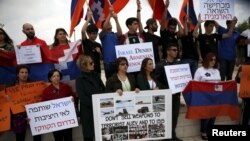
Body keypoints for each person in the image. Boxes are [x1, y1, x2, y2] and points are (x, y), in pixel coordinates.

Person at [154, 43, 182, 141]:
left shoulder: (178, 64)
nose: (176, 52)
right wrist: (165, 88)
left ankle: (172, 136)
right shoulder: (160, 65)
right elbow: (156, 80)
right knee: (165, 117)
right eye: (174, 50)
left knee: (174, 116)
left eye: (177, 50)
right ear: (168, 51)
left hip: (176, 95)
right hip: (165, 95)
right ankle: (165, 137)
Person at [7, 65, 41, 141]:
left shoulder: (35, 84)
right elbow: (6, 103)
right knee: (20, 138)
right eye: (22, 72)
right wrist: (7, 99)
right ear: (17, 74)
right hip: (18, 116)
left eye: (26, 72)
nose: (24, 74)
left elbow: (39, 98)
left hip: (33, 114)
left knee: (37, 136)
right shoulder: (10, 87)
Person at [76, 55, 105, 141]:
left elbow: (103, 89)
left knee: (101, 134)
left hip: (99, 109)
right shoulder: (80, 79)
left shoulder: (96, 75)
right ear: (84, 65)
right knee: (89, 135)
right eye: (91, 63)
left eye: (93, 62)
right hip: (88, 111)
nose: (93, 64)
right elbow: (82, 97)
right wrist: (96, 104)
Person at [42, 69, 76, 141]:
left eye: (58, 76)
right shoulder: (46, 91)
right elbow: (43, 106)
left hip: (67, 118)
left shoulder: (66, 87)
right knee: (58, 138)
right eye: (54, 76)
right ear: (50, 78)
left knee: (69, 138)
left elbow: (73, 96)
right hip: (55, 120)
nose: (56, 77)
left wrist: (73, 99)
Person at [194, 53, 221, 140]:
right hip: (204, 97)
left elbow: (219, 85)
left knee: (213, 116)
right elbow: (195, 83)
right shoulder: (200, 70)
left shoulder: (217, 71)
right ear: (207, 60)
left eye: (214, 60)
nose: (213, 61)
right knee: (206, 115)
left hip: (215, 97)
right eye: (211, 60)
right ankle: (204, 132)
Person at [100, 6, 122, 79]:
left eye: (110, 22)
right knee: (110, 81)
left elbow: (120, 33)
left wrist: (116, 20)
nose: (109, 23)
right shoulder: (102, 35)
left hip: (117, 62)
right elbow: (104, 28)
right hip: (108, 63)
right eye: (107, 22)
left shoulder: (115, 34)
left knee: (119, 80)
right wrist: (109, 14)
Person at [81, 11, 102, 76]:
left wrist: (99, 52)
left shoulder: (98, 44)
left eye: (96, 33)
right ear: (88, 33)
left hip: (98, 70)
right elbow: (82, 31)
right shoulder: (86, 41)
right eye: (93, 33)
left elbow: (101, 58)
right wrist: (89, 18)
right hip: (88, 70)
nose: (95, 35)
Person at [235, 61, 250, 126]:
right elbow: (237, 80)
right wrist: (239, 76)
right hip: (247, 94)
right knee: (248, 106)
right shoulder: (244, 66)